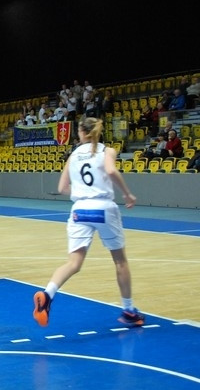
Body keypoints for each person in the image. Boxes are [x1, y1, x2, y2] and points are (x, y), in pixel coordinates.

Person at [33, 117, 144, 327]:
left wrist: (83, 193)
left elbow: (62, 188)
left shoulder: (73, 155)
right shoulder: (107, 151)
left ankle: (47, 295)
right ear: (98, 133)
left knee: (73, 263)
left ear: (81, 133)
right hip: (103, 208)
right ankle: (129, 310)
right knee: (120, 261)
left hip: (80, 210)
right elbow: (111, 171)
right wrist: (128, 194)